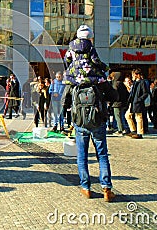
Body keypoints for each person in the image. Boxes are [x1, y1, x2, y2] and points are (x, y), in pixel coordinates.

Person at [62, 24, 117, 202]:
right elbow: (114, 95)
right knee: (102, 154)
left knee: (82, 155)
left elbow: (65, 101)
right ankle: (106, 187)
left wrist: (65, 116)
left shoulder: (72, 79)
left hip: (80, 121)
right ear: (90, 39)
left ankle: (85, 187)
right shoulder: (98, 76)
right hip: (98, 119)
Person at [124, 68, 150, 139]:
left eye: (133, 74)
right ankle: (133, 130)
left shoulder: (142, 82)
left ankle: (139, 133)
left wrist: (139, 99)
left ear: (137, 75)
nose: (132, 76)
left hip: (138, 102)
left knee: (138, 117)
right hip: (133, 102)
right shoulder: (135, 82)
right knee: (127, 115)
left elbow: (146, 93)